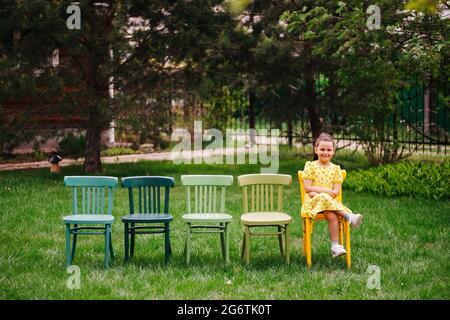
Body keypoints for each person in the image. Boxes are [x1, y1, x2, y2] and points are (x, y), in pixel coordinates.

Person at [301, 133, 363, 258]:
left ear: (333, 151)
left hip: (329, 204)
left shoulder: (335, 169)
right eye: (322, 149)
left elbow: (336, 192)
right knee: (323, 197)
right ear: (316, 149)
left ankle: (335, 246)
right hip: (312, 203)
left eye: (329, 150)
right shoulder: (310, 166)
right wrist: (325, 191)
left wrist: (321, 192)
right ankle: (349, 216)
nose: (325, 152)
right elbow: (307, 188)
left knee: (332, 215)